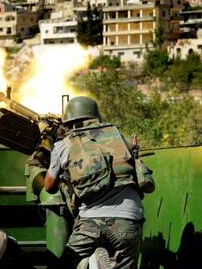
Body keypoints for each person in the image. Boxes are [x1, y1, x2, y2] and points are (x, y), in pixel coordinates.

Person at [44, 96, 149, 269]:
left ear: (68, 121)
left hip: (91, 221)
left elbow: (49, 186)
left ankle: (88, 264)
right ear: (96, 116)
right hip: (129, 218)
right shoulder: (119, 137)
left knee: (66, 263)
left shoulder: (64, 144)